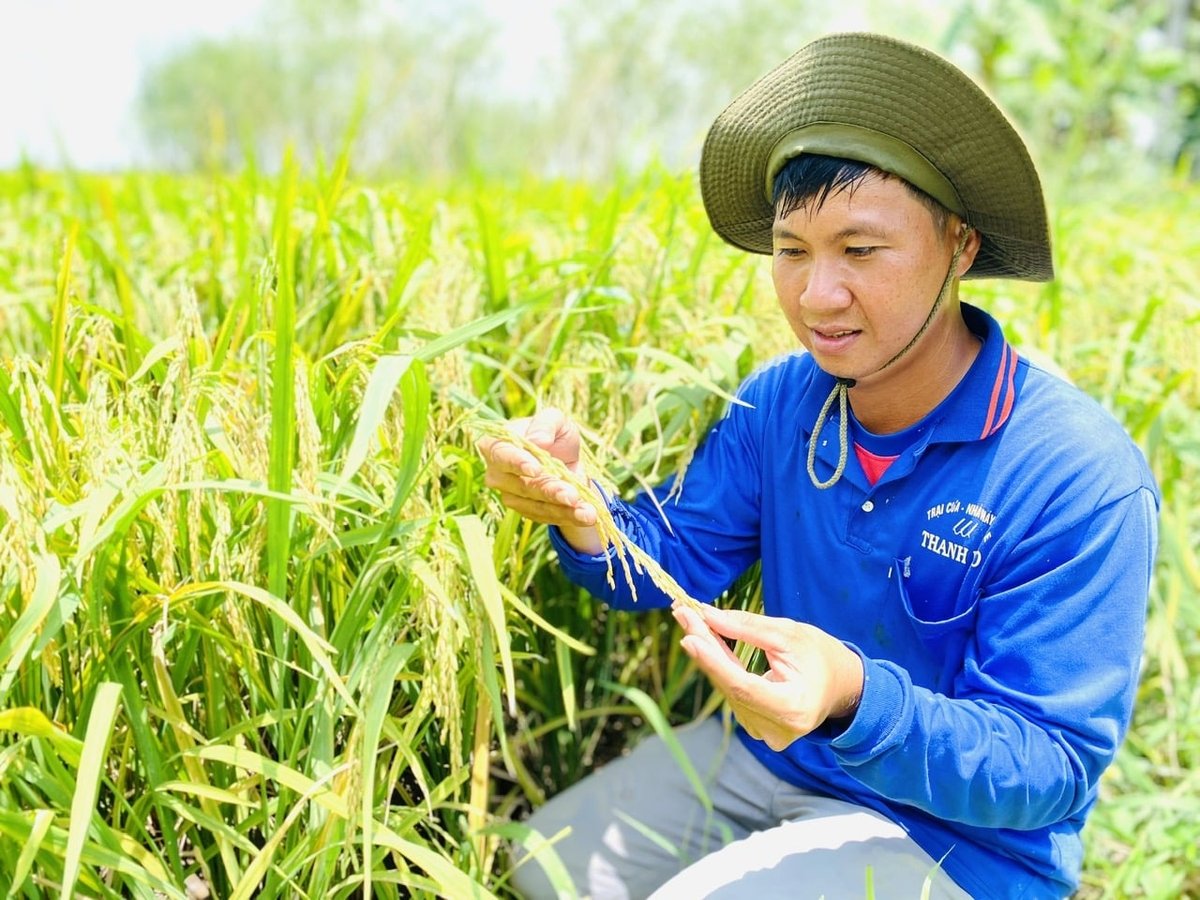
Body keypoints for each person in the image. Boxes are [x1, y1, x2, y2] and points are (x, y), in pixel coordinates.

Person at [481, 32, 1159, 899]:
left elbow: (1050, 764)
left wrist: (851, 695)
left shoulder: (1076, 474)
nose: (815, 295)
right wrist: (579, 506)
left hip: (957, 842)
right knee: (542, 869)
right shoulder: (783, 405)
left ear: (960, 245)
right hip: (777, 758)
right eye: (793, 251)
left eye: (861, 250)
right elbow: (672, 559)